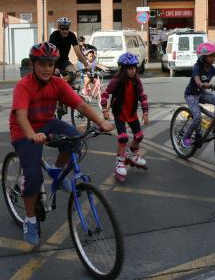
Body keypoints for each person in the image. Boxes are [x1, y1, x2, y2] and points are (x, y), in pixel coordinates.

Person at [9, 42, 113, 245]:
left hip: (47, 123)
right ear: (33, 64)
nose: (47, 68)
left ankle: (57, 170)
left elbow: (80, 104)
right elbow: (21, 116)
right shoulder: (24, 86)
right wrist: (32, 135)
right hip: (24, 130)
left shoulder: (58, 83)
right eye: (42, 64)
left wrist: (101, 122)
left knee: (74, 139)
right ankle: (30, 220)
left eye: (50, 64)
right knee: (33, 176)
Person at [100, 52, 149, 183]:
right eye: (129, 68)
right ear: (123, 69)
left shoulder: (136, 81)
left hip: (132, 113)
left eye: (134, 68)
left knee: (139, 136)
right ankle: (120, 162)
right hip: (120, 113)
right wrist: (105, 109)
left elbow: (142, 96)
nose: (133, 71)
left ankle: (133, 155)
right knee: (123, 138)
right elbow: (104, 94)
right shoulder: (116, 81)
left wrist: (145, 113)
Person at [48, 17, 88, 84]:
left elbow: (78, 52)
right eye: (62, 28)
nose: (65, 31)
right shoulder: (54, 35)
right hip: (53, 61)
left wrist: (86, 64)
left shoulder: (71, 35)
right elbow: (52, 53)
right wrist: (55, 67)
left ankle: (66, 87)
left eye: (67, 29)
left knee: (73, 73)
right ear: (58, 28)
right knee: (55, 77)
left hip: (64, 61)